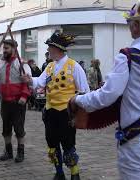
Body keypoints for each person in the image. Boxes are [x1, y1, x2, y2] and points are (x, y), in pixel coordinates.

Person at [69, 2, 140, 179]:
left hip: (138, 142)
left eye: (129, 23)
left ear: (136, 26)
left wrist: (78, 100)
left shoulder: (129, 56)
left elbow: (107, 96)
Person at [23, 31, 89, 180]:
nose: (48, 50)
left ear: (57, 48)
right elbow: (39, 82)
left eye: (50, 47)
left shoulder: (74, 67)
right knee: (52, 143)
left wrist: (78, 115)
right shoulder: (50, 67)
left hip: (66, 114)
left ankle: (74, 173)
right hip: (50, 111)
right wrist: (29, 80)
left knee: (68, 144)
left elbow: (84, 92)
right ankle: (59, 173)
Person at [0, 39, 32, 163]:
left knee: (19, 128)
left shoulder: (22, 63)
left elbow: (27, 82)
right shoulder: (0, 63)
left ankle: (20, 153)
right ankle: (8, 151)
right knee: (6, 128)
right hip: (5, 101)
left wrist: (24, 96)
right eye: (3, 48)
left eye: (6, 48)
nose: (4, 50)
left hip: (18, 102)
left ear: (14, 48)